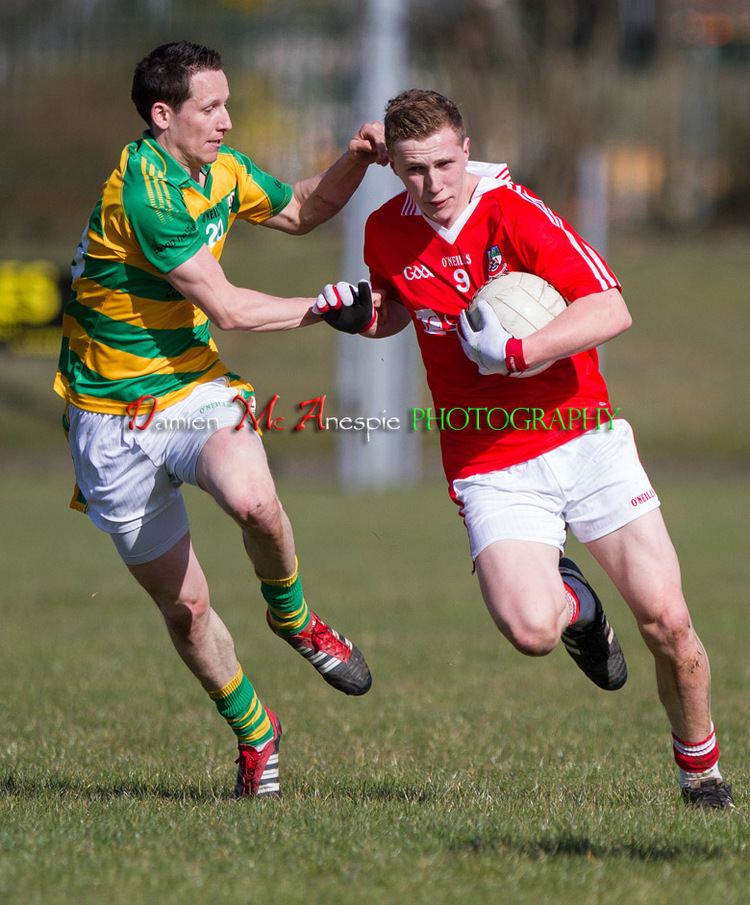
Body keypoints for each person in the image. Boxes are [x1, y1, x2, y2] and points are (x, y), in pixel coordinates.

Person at [314, 89, 733, 809]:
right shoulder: (385, 230)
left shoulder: (517, 213)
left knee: (668, 621)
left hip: (583, 436)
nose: (434, 184)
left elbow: (610, 307)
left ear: (466, 149)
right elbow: (400, 310)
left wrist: (521, 349)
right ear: (395, 168)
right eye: (415, 169)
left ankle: (702, 775)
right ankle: (578, 605)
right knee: (532, 628)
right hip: (487, 461)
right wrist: (361, 314)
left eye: (445, 164)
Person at [53, 41, 387, 799]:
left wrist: (357, 160)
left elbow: (301, 209)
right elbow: (230, 308)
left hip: (193, 390)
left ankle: (293, 617)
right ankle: (256, 732)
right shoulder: (143, 193)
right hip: (112, 419)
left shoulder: (217, 172)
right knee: (188, 607)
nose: (229, 122)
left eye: (228, 104)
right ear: (163, 115)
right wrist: (324, 307)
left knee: (255, 500)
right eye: (212, 108)